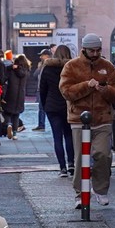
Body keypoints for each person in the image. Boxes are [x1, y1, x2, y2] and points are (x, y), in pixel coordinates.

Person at [59, 33, 115, 208]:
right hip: (79, 119)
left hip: (103, 118)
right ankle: (80, 193)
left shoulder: (107, 66)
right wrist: (87, 85)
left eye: (98, 50)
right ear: (84, 49)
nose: (95, 54)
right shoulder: (71, 66)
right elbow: (66, 91)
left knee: (103, 155)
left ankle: (100, 189)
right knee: (81, 158)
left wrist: (105, 90)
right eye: (91, 50)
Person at [39, 44, 73, 177]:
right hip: (67, 105)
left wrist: (45, 104)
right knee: (69, 136)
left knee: (57, 137)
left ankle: (62, 167)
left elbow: (43, 88)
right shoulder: (71, 67)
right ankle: (71, 164)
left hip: (52, 106)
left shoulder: (48, 68)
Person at [3, 54, 30, 140]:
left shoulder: (12, 70)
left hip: (10, 94)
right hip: (21, 95)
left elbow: (4, 78)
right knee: (16, 114)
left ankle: (8, 124)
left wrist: (10, 67)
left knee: (6, 112)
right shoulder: (26, 72)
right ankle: (14, 134)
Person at [33, 48, 52, 131]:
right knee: (41, 108)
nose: (40, 57)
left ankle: (42, 125)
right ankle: (41, 125)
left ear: (47, 56)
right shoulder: (41, 65)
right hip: (41, 89)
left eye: (42, 55)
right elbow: (35, 75)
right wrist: (39, 67)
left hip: (47, 89)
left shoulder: (50, 65)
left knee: (46, 108)